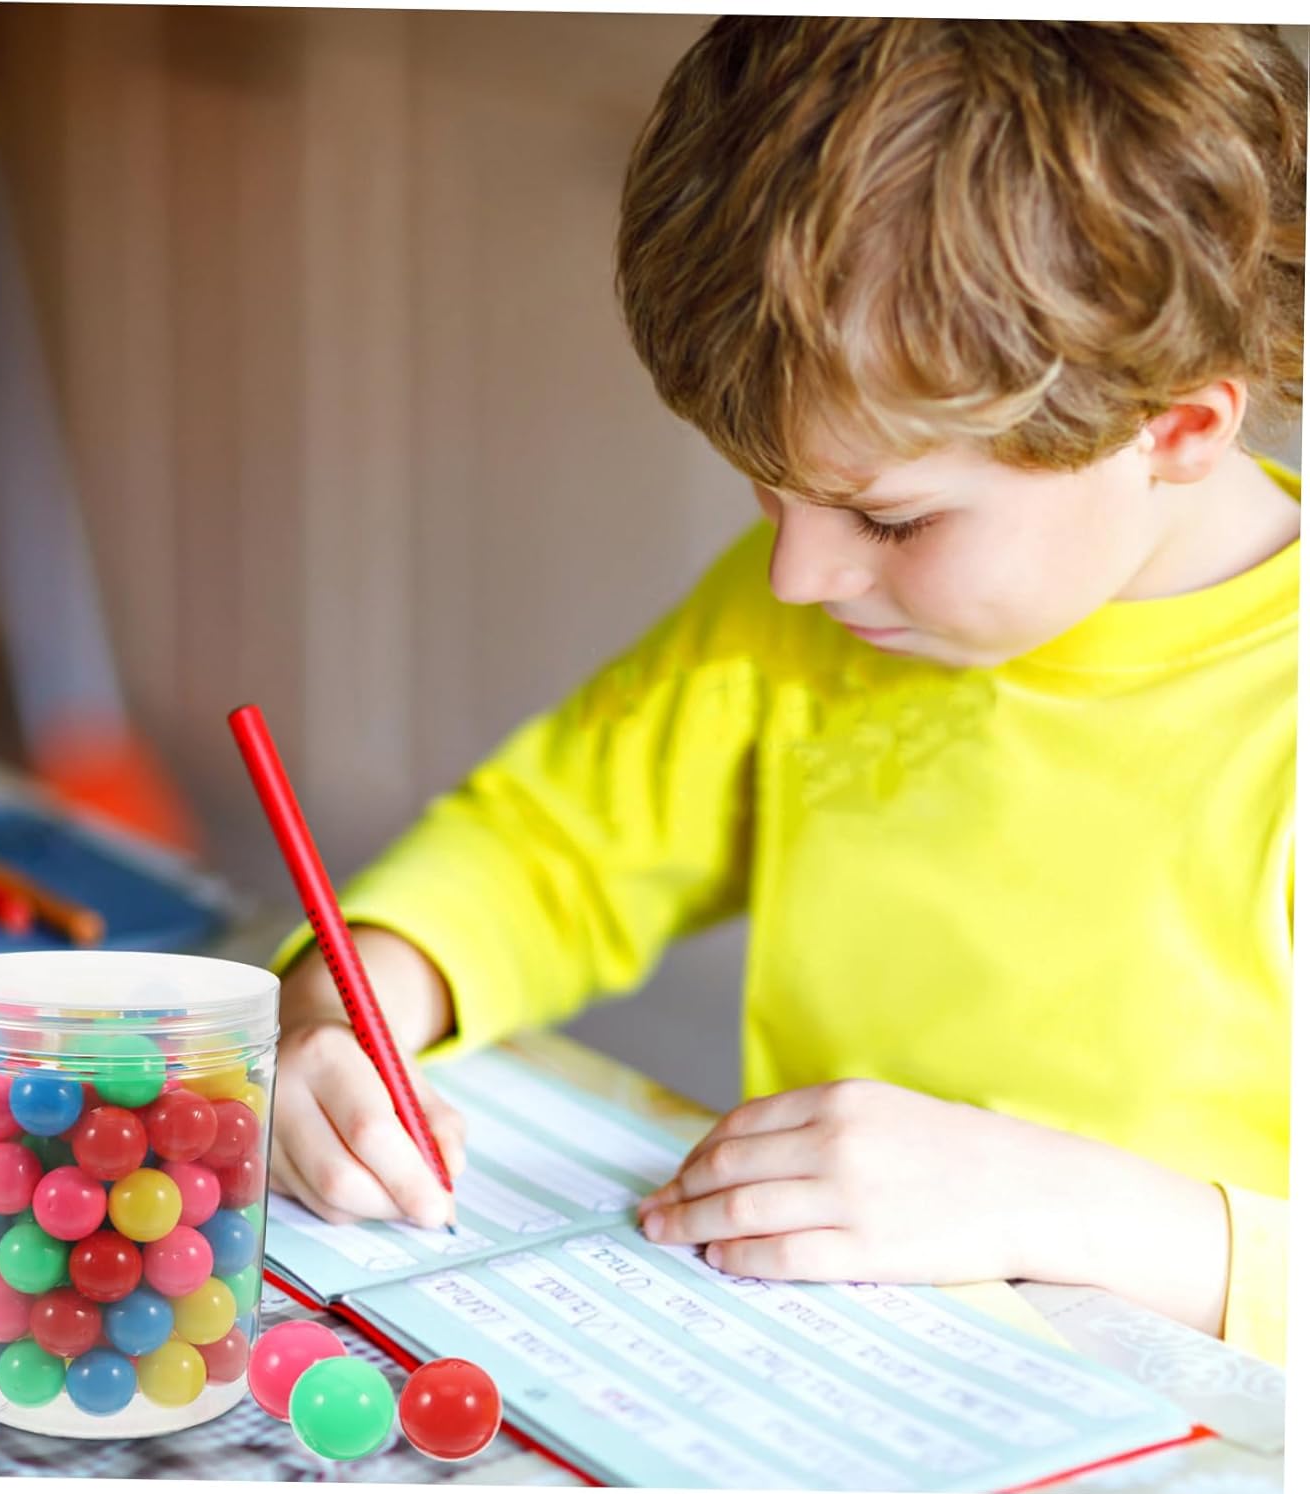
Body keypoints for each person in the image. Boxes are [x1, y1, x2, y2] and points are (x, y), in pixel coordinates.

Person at [265, 19, 1303, 1366]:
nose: (798, 575)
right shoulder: (809, 618)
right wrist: (344, 1015)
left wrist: (1066, 1210)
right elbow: (551, 851)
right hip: (818, 1378)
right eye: (769, 495)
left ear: (1175, 427)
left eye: (893, 519)